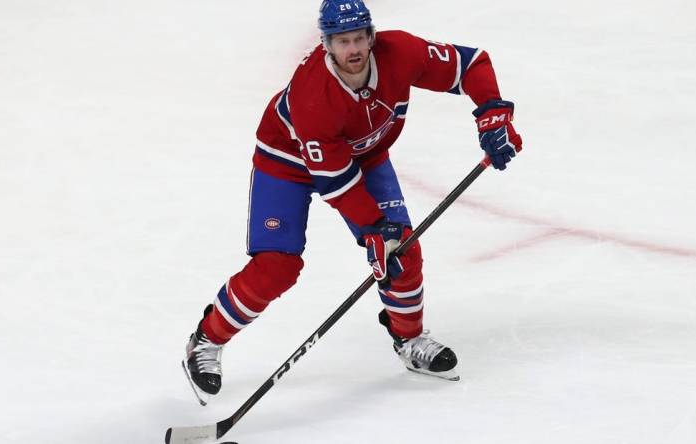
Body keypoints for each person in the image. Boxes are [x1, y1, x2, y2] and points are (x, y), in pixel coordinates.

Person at [181, 0, 523, 404]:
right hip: (286, 162)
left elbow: (471, 64)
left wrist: (492, 112)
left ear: (371, 35)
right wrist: (375, 231)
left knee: (404, 251)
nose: (354, 48)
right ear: (326, 44)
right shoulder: (314, 96)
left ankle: (409, 339)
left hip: (364, 156)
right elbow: (337, 183)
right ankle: (206, 341)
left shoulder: (400, 52)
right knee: (278, 267)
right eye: (343, 41)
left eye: (360, 37)